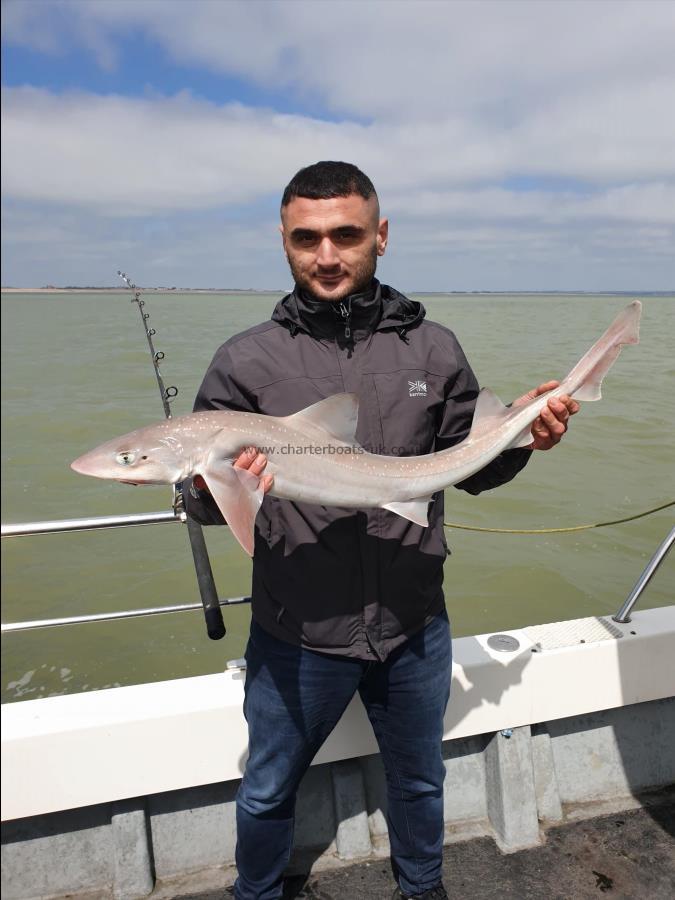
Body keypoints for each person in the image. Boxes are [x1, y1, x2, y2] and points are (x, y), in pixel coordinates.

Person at [185, 161, 578, 900]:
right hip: (295, 629)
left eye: (346, 235)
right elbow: (207, 504)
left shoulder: (432, 348)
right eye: (306, 238)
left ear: (381, 236)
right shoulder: (246, 360)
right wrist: (209, 487)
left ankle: (421, 890)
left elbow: (469, 467)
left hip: (412, 623)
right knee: (267, 790)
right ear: (283, 239)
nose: (326, 256)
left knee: (419, 783)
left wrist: (522, 439)